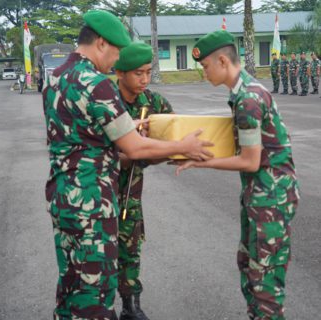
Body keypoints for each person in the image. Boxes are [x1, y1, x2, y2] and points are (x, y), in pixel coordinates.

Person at [42, 10, 212, 320]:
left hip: (63, 198)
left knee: (70, 284)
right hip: (92, 205)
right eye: (117, 52)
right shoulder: (97, 83)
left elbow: (80, 134)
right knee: (95, 295)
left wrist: (126, 124)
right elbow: (134, 146)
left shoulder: (56, 77)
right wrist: (181, 146)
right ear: (102, 43)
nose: (116, 61)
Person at [178, 30, 300, 319]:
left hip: (269, 201)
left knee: (264, 285)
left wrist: (200, 162)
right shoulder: (246, 91)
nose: (203, 73)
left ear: (222, 61)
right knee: (249, 268)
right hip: (261, 197)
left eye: (205, 67)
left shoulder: (248, 99)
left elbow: (249, 161)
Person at [113, 42, 174, 320]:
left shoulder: (154, 103)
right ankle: (98, 306)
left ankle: (130, 306)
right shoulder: (106, 102)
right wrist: (137, 150)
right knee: (97, 252)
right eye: (138, 73)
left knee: (130, 247)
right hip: (98, 189)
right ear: (120, 72)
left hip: (130, 192)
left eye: (148, 72)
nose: (144, 80)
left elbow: (174, 134)